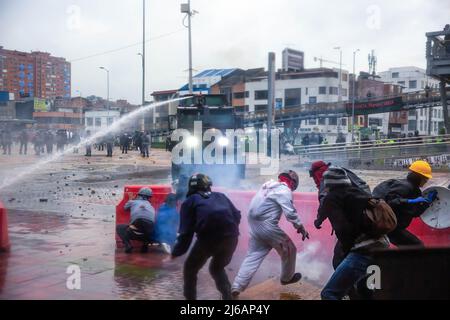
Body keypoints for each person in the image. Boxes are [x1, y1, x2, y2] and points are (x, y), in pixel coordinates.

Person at [231, 170, 310, 297]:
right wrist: (300, 227)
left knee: (253, 257)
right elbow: (290, 213)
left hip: (254, 225)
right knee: (290, 249)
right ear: (293, 183)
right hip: (267, 226)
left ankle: (237, 286)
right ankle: (287, 278)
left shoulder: (267, 185)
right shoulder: (284, 190)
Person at [318, 167, 391, 300]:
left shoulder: (332, 198)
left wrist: (346, 252)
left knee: (329, 294)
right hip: (383, 247)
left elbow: (343, 231)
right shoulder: (359, 192)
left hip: (364, 251)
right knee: (366, 291)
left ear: (328, 183)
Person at [171, 174, 241, 300]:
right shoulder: (221, 196)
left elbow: (186, 233)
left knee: (190, 268)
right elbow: (237, 215)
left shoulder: (189, 201)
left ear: (191, 188)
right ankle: (228, 297)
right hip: (232, 238)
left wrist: (176, 252)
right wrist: (229, 231)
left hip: (208, 240)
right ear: (208, 186)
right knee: (217, 268)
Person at [311, 161, 371, 270]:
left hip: (353, 228)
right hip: (368, 222)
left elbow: (326, 202)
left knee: (339, 260)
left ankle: (349, 285)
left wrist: (319, 220)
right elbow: (364, 186)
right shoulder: (341, 172)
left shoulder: (327, 176)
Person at [372, 160, 437, 247]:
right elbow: (390, 203)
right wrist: (411, 201)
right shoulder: (405, 187)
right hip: (388, 225)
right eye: (426, 178)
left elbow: (413, 211)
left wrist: (426, 202)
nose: (426, 181)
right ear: (419, 177)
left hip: (388, 224)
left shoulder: (410, 187)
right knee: (417, 246)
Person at [116, 187, 156, 254]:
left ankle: (128, 245)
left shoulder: (133, 202)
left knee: (119, 227)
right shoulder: (151, 206)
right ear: (149, 197)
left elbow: (125, 208)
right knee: (148, 228)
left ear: (139, 195)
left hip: (135, 229)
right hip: (148, 233)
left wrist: (130, 199)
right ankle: (145, 246)